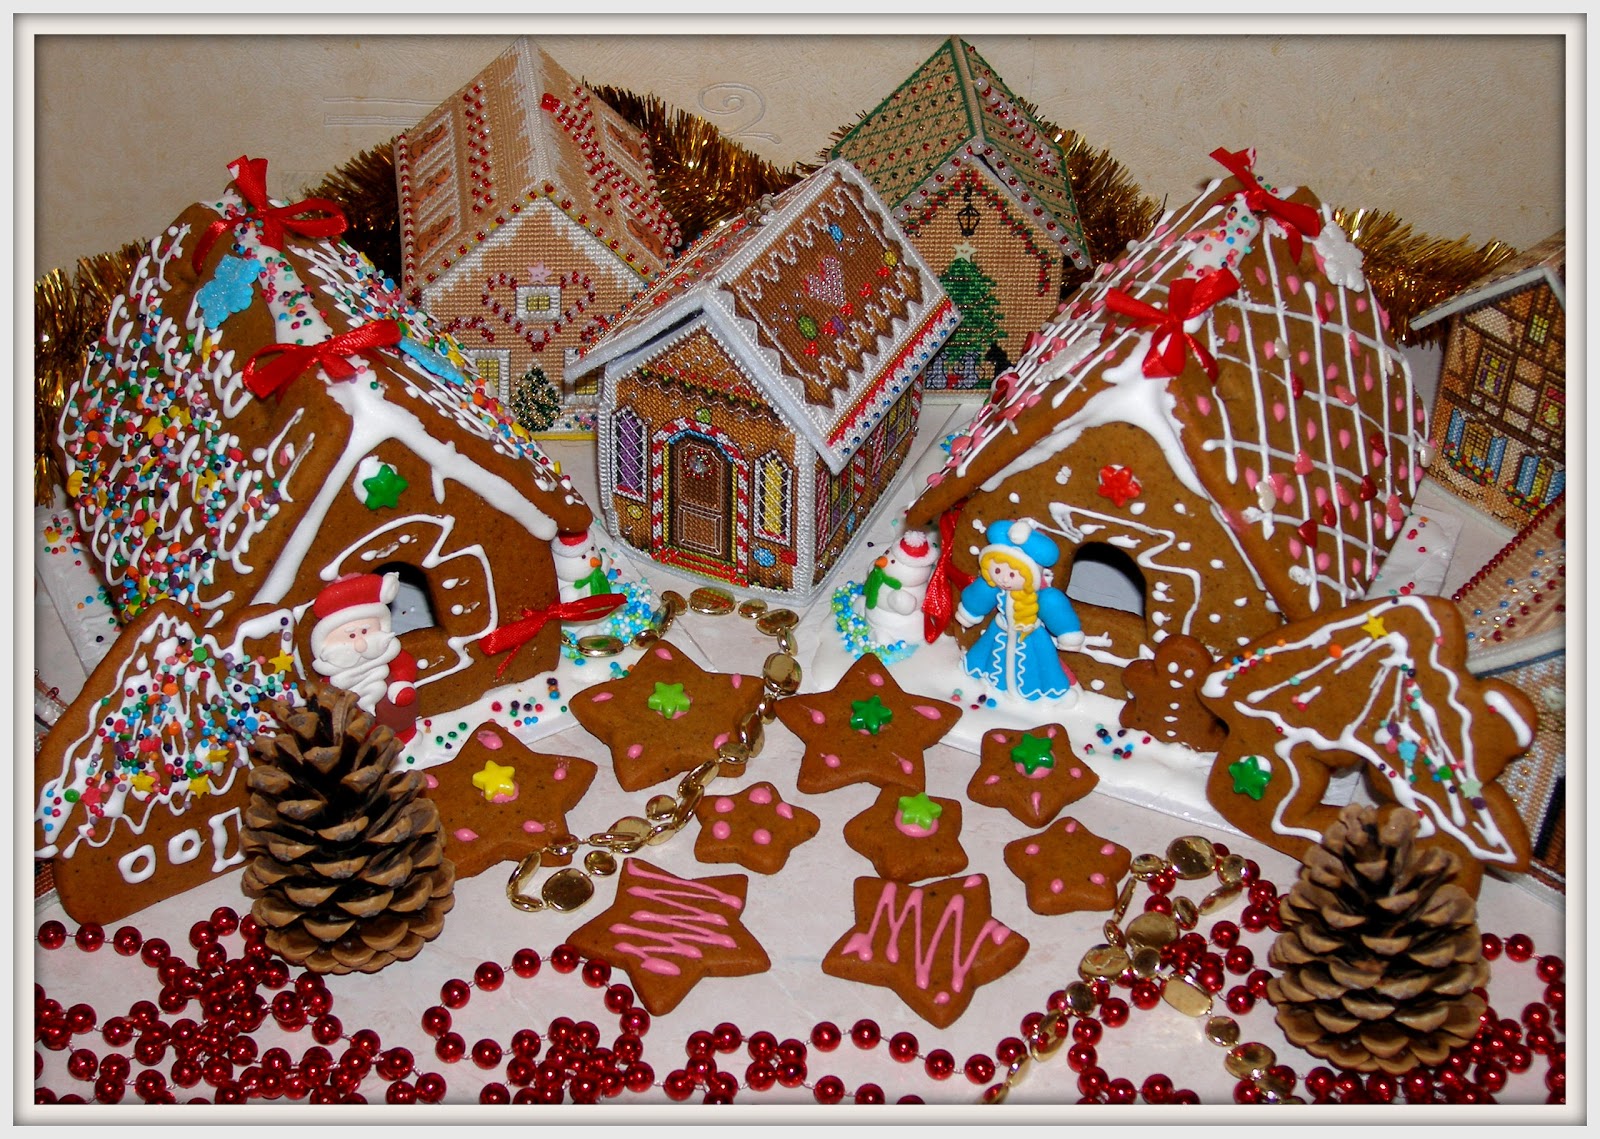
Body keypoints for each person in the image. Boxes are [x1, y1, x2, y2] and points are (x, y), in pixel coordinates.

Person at [955, 519, 1083, 702]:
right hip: (1000, 631)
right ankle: (995, 686)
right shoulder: (992, 588)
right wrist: (969, 612)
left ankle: (1049, 695)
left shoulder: (1042, 597)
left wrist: (1067, 634)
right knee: (993, 659)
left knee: (1040, 666)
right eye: (997, 571)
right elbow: (979, 599)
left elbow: (1056, 611)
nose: (1004, 580)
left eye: (1012, 574)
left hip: (1031, 637)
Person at [309, 571, 419, 743]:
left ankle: (405, 736)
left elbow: (404, 665)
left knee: (399, 712)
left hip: (396, 715)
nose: (361, 645)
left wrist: (401, 684)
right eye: (351, 636)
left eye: (365, 631)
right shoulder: (334, 679)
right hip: (358, 729)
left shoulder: (387, 653)